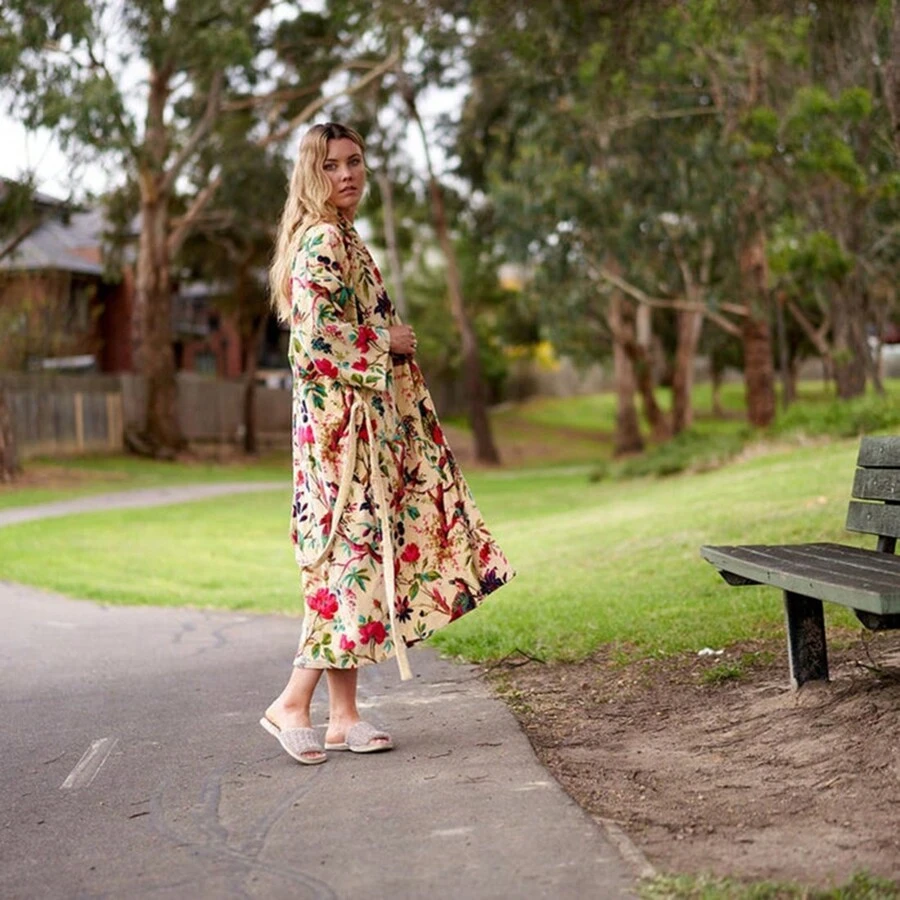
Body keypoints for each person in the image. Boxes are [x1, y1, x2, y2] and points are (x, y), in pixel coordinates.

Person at [261, 122, 514, 764]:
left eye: (355, 162)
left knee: (358, 562)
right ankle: (293, 701)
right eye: (332, 165)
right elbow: (313, 344)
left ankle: (343, 716)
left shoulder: (343, 237)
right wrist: (387, 342)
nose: (346, 174)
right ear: (310, 175)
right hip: (340, 439)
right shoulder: (320, 240)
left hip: (356, 427)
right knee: (346, 564)